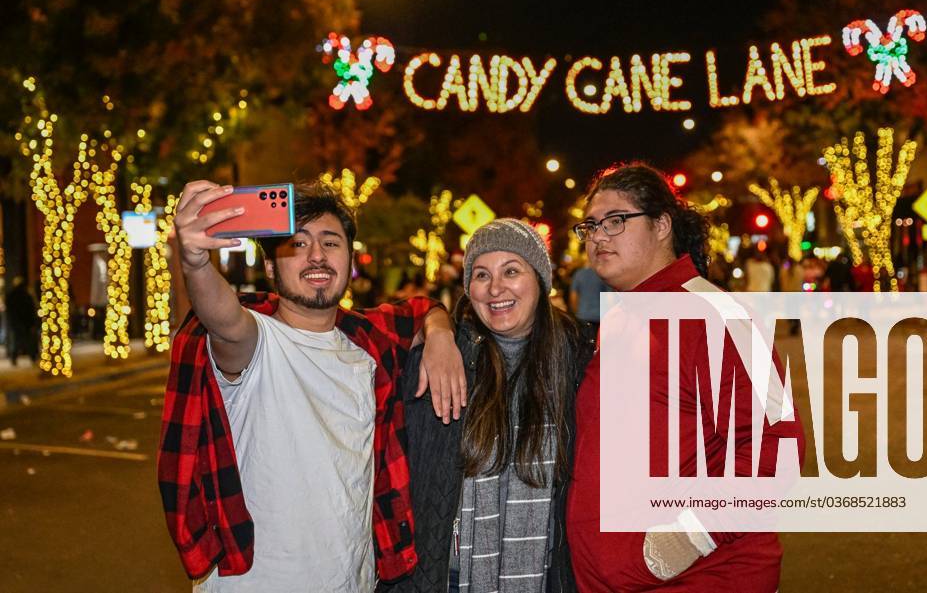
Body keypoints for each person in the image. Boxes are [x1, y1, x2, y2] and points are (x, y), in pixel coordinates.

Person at [158, 180, 465, 592]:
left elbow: (420, 309)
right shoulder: (258, 339)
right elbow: (224, 321)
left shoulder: (367, 345)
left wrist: (440, 331)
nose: (317, 255)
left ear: (349, 258)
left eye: (330, 242)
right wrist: (195, 262)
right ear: (270, 268)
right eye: (298, 244)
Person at [565, 163, 803, 592]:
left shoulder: (716, 316)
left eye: (615, 221)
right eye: (590, 226)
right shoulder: (617, 321)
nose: (598, 236)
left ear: (661, 225)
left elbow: (776, 447)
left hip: (700, 578)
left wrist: (684, 540)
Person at [382, 219, 596, 593]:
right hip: (451, 576)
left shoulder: (580, 362)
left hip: (549, 576)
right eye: (481, 275)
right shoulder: (441, 362)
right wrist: (436, 328)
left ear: (540, 280)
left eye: (511, 271)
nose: (495, 288)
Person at [4, 276, 38, 366]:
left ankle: (14, 358)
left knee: (16, 341)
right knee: (28, 341)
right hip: (25, 322)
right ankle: (32, 357)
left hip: (16, 322)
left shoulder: (11, 295)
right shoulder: (26, 295)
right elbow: (31, 309)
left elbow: (9, 310)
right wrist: (32, 323)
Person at [569, 260, 614, 326]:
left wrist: (576, 312)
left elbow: (573, 296)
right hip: (599, 317)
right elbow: (609, 297)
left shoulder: (579, 274)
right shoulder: (603, 274)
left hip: (582, 316)